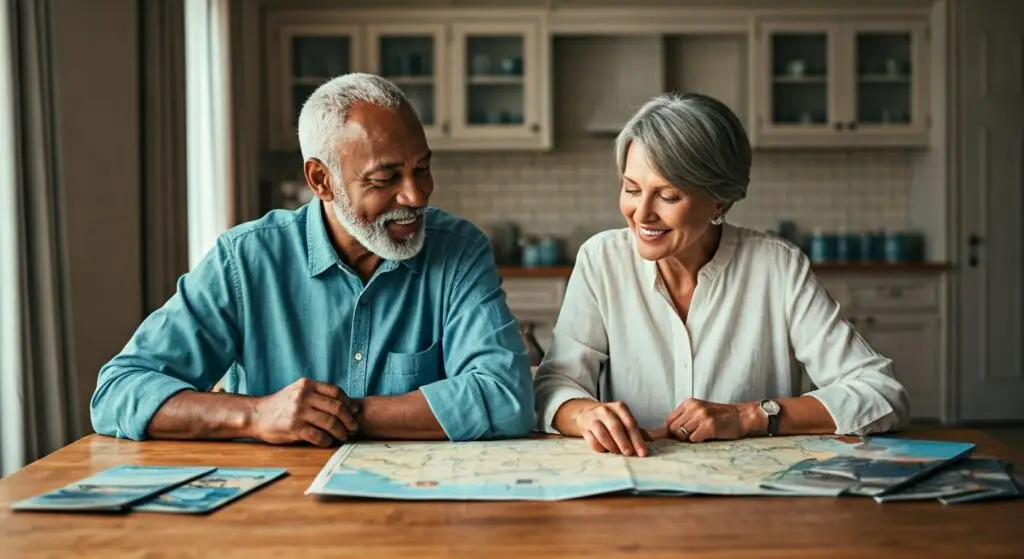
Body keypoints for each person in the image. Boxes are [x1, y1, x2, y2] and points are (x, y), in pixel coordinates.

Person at [91, 73, 533, 446]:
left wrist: (338, 414)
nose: (416, 196)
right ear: (321, 180)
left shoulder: (459, 250)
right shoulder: (245, 260)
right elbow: (118, 391)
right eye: (386, 177)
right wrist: (257, 415)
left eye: (422, 168)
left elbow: (507, 396)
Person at [533, 92, 909, 457]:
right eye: (631, 189)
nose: (641, 213)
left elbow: (881, 394)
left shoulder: (777, 267)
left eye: (668, 196)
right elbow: (553, 385)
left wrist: (747, 416)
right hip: (636, 486)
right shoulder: (601, 260)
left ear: (720, 200)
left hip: (753, 493)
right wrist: (586, 414)